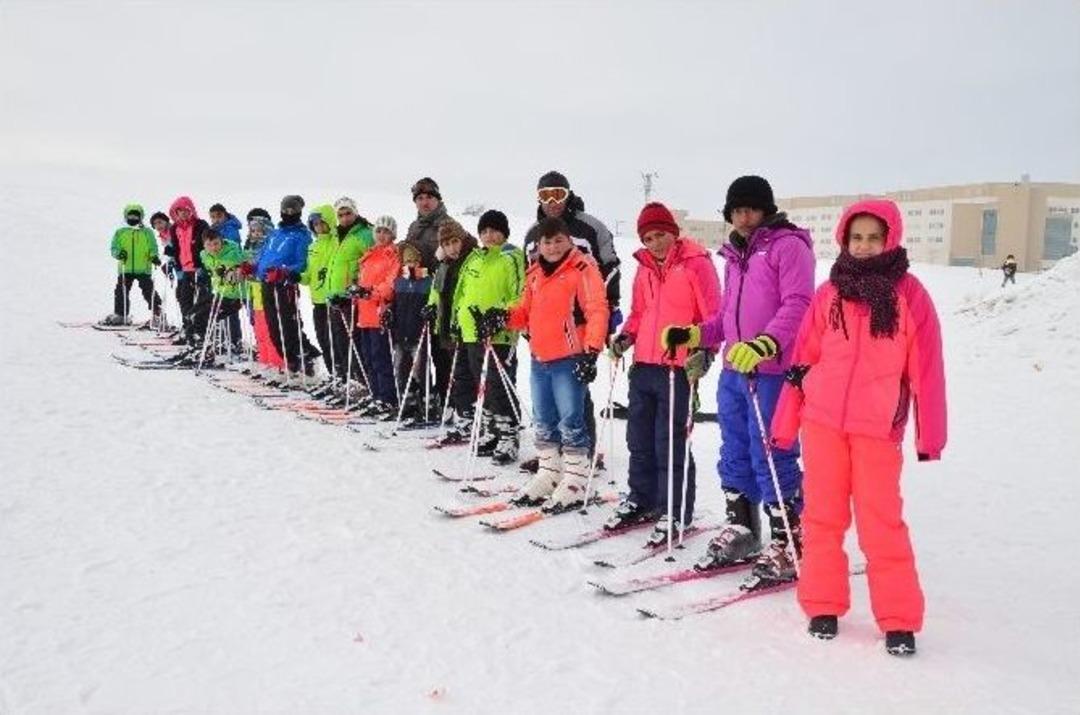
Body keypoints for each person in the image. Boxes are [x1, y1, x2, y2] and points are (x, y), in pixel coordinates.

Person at [770, 198, 947, 657]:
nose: (864, 246)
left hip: (876, 430)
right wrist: (785, 424)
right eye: (856, 237)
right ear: (844, 240)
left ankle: (899, 618)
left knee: (881, 523)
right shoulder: (829, 293)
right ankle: (822, 604)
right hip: (822, 423)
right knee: (822, 518)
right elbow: (803, 361)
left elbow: (926, 371)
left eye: (873, 237)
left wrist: (929, 436)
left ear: (890, 239)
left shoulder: (910, 295)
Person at [663, 175, 815, 579]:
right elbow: (727, 316)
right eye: (737, 211)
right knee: (735, 450)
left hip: (773, 371)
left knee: (772, 452)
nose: (744, 218)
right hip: (735, 370)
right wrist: (695, 334)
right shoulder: (735, 255)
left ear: (766, 210)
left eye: (751, 210)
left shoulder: (789, 246)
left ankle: (790, 539)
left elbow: (800, 304)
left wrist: (766, 343)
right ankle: (743, 527)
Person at [605, 202, 721, 544]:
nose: (655, 243)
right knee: (638, 439)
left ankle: (676, 510)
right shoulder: (643, 268)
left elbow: (714, 316)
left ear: (673, 232)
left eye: (660, 235)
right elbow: (639, 313)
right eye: (648, 238)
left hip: (677, 367)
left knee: (669, 441)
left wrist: (706, 351)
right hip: (644, 365)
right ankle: (642, 498)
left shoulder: (696, 263)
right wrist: (627, 336)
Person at [488, 217, 607, 510]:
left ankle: (576, 479)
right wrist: (501, 316)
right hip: (540, 357)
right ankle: (549, 473)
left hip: (570, 358)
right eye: (546, 242)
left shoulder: (582, 269)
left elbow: (597, 310)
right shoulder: (535, 273)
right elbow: (524, 312)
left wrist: (591, 350)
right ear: (538, 245)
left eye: (558, 241)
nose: (552, 247)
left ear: (569, 241)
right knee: (543, 419)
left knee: (571, 419)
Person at [520, 171, 621, 471]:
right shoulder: (533, 234)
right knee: (548, 395)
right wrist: (529, 322)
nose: (552, 201)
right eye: (545, 195)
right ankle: (553, 456)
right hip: (545, 327)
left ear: (568, 195)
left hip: (582, 322)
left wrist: (607, 313)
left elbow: (611, 269)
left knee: (575, 390)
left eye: (558, 194)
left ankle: (582, 454)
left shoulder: (591, 227)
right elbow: (530, 278)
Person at [452, 209, 526, 464]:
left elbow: (520, 294)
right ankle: (492, 429)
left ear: (504, 233)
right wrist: (456, 321)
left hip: (499, 333)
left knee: (499, 384)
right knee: (481, 383)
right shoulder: (474, 258)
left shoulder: (511, 257)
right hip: (472, 331)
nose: (489, 236)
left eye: (494, 230)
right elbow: (462, 294)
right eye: (484, 231)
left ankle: (509, 434)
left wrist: (502, 316)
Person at [423, 219, 478, 442]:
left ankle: (480, 417)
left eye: (455, 241)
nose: (452, 248)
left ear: (462, 239)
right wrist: (431, 306)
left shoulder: (472, 260)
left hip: (468, 327)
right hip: (449, 326)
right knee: (459, 375)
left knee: (470, 374)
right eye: (446, 244)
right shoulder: (443, 265)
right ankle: (465, 417)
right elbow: (437, 291)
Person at [255, 195, 319, 379]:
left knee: (288, 325)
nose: (288, 213)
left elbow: (302, 263)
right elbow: (265, 256)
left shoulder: (302, 235)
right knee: (273, 327)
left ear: (299, 212)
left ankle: (308, 358)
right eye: (285, 210)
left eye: (292, 210)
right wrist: (253, 268)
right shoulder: (275, 233)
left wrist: (284, 271)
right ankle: (291, 363)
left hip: (284, 284)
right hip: (267, 282)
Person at [352, 216, 401, 418]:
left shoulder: (393, 255)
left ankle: (387, 398)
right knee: (368, 357)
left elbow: (390, 284)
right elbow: (362, 280)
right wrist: (356, 291)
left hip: (380, 313)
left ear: (392, 235)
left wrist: (369, 292)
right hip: (364, 314)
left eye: (386, 232)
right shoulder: (369, 255)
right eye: (378, 231)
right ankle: (376, 394)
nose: (381, 235)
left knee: (381, 358)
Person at [324, 197, 374, 396]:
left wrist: (356, 285)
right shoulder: (337, 235)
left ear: (355, 212)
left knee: (354, 341)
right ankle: (348, 378)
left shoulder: (364, 234)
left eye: (348, 213)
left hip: (352, 297)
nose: (345, 218)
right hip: (335, 296)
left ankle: (362, 380)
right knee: (341, 341)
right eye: (341, 215)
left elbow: (371, 262)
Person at [385, 243, 435, 424]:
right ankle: (407, 403)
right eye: (407, 261)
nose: (411, 264)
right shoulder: (399, 282)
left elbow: (433, 303)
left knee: (420, 370)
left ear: (420, 261)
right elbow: (394, 303)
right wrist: (389, 313)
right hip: (401, 333)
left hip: (417, 333)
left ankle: (428, 403)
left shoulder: (427, 281)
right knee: (400, 368)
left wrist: (430, 312)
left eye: (414, 260)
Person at [102, 204, 163, 325]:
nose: (133, 218)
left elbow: (153, 247)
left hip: (143, 268)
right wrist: (118, 253)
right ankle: (121, 314)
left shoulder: (147, 232)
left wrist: (154, 257)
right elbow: (114, 247)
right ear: (126, 216)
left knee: (149, 291)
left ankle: (158, 314)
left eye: (136, 216)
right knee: (121, 291)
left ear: (140, 217)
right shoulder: (120, 232)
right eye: (130, 216)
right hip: (126, 268)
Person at [189, 227, 245, 358]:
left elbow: (242, 263)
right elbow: (210, 270)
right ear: (204, 245)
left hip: (233, 297)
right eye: (209, 245)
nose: (213, 248)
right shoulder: (205, 255)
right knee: (191, 314)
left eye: (216, 244)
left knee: (202, 317)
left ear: (222, 242)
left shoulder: (232, 254)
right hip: (219, 293)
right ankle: (196, 344)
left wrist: (234, 271)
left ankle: (206, 346)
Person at [164, 196, 211, 344]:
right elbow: (176, 247)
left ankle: (200, 332)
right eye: (180, 211)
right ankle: (188, 330)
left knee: (201, 303)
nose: (183, 213)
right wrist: (172, 258)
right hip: (185, 270)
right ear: (175, 213)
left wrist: (204, 265)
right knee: (185, 301)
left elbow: (208, 244)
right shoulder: (174, 228)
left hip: (199, 269)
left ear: (191, 211)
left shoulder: (200, 225)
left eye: (186, 210)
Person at [242, 214, 284, 374]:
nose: (256, 234)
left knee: (268, 328)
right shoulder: (250, 246)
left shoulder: (270, 247)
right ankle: (265, 360)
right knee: (258, 328)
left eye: (260, 231)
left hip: (265, 288)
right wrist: (246, 269)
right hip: (253, 289)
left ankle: (276, 362)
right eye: (253, 231)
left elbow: (269, 265)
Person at [301, 205, 338, 378]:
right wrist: (295, 276)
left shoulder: (336, 242)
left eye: (322, 223)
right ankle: (332, 375)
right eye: (315, 224)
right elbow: (308, 275)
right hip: (317, 301)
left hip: (333, 301)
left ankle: (341, 376)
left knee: (334, 341)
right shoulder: (313, 246)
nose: (319, 227)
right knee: (322, 339)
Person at [403, 177, 449, 272]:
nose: (425, 203)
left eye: (429, 197)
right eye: (420, 198)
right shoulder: (414, 226)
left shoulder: (449, 226)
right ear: (415, 202)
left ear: (438, 200)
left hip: (436, 280)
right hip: (413, 279)